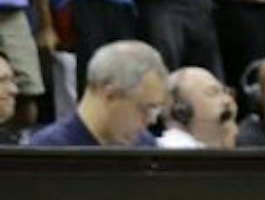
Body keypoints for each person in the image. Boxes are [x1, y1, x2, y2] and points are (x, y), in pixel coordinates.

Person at [24, 39, 166, 147]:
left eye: (155, 110)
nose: (151, 120)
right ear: (110, 95)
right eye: (146, 109)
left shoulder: (145, 146)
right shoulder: (49, 151)